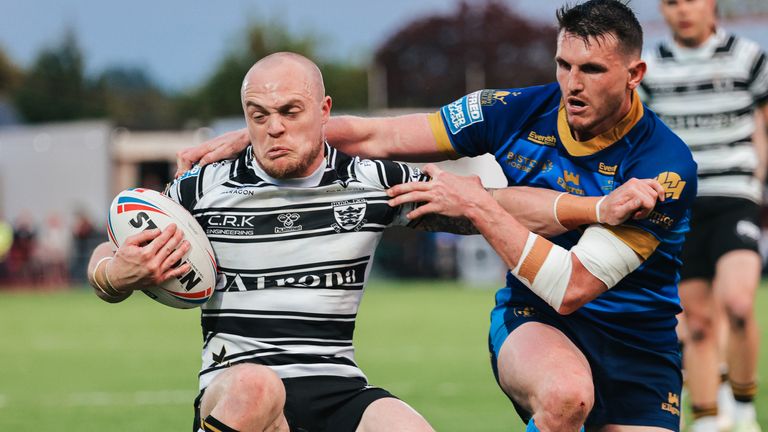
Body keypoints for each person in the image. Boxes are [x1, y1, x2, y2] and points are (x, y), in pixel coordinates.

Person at [177, 2, 698, 431]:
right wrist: (264, 133)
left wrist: (478, 203)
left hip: (637, 342)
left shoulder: (664, 168)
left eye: (591, 70)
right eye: (564, 66)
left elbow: (572, 285)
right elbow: (377, 135)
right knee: (566, 397)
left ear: (634, 75)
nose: (571, 84)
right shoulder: (513, 109)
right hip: (539, 320)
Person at [639, 1, 768, 431]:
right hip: (681, 206)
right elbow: (642, 138)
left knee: (738, 304)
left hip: (736, 198)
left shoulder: (748, 57)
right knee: (695, 323)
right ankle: (709, 417)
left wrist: (759, 175)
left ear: (711, 3)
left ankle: (744, 407)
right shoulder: (650, 68)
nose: (683, 10)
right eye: (672, 2)